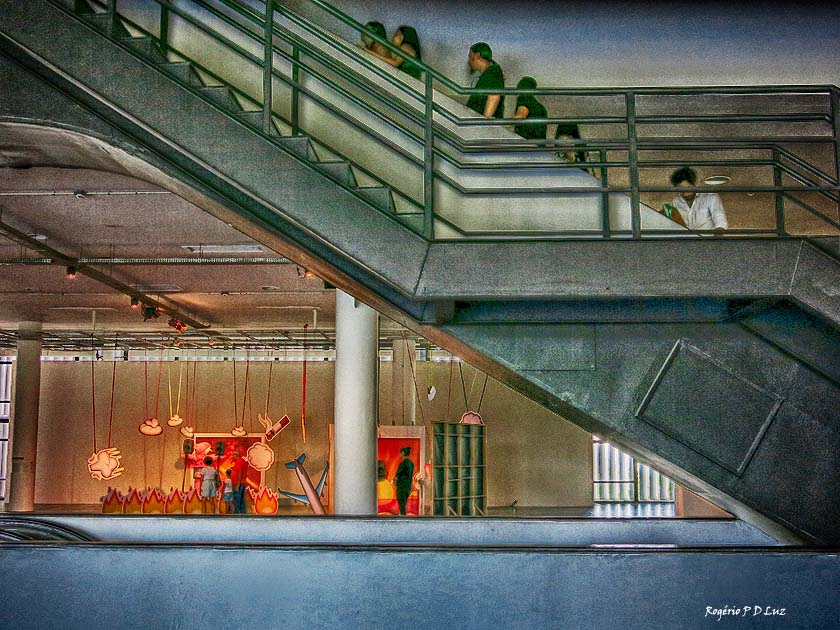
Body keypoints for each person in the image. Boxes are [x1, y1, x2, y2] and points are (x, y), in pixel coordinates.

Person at [669, 166, 728, 232]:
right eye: (681, 190)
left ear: (695, 184)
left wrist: (718, 236)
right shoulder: (675, 202)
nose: (685, 194)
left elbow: (720, 221)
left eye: (688, 188)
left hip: (707, 238)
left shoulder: (711, 196)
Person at [466, 42, 505, 119]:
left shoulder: (493, 72)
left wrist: (484, 123)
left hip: (483, 124)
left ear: (477, 56)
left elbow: (494, 97)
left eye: (470, 57)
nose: (468, 62)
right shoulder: (487, 74)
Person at [511, 76, 547, 140]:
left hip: (526, 142)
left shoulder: (523, 98)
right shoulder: (541, 107)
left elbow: (520, 116)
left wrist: (503, 124)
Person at [394, 446, 415, 516]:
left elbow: (397, 476)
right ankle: (403, 516)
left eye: (400, 453)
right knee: (403, 504)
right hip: (408, 487)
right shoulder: (411, 463)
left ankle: (403, 517)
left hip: (402, 486)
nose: (400, 455)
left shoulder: (402, 463)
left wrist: (395, 482)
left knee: (401, 503)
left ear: (403, 453)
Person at [230, 449, 248, 514]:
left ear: (236, 455)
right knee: (241, 498)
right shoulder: (241, 461)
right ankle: (242, 512)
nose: (232, 456)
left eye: (233, 455)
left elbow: (239, 472)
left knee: (237, 498)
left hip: (238, 483)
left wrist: (238, 484)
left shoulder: (239, 462)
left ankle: (236, 512)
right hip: (241, 483)